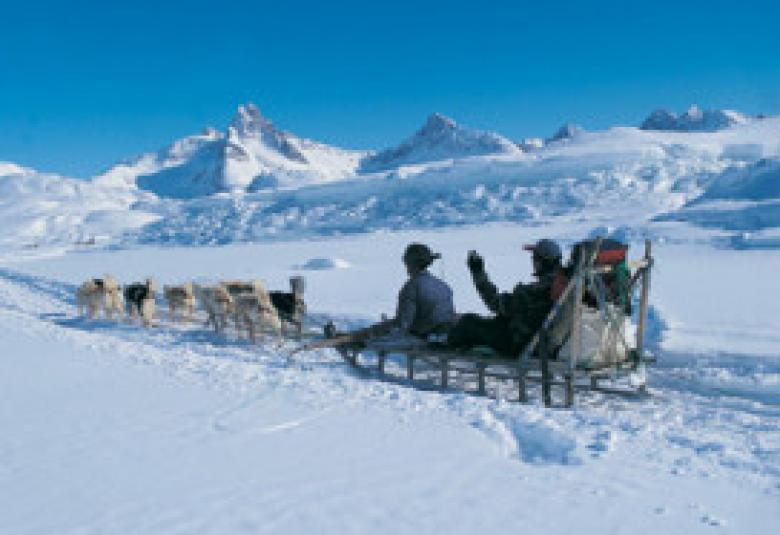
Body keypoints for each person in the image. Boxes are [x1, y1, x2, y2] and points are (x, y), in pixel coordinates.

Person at [447, 238, 564, 356]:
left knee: (468, 322)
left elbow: (494, 303)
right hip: (531, 339)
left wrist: (477, 271)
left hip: (515, 342)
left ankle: (444, 345)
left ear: (542, 262)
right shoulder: (559, 286)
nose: (532, 261)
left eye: (534, 258)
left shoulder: (537, 291)